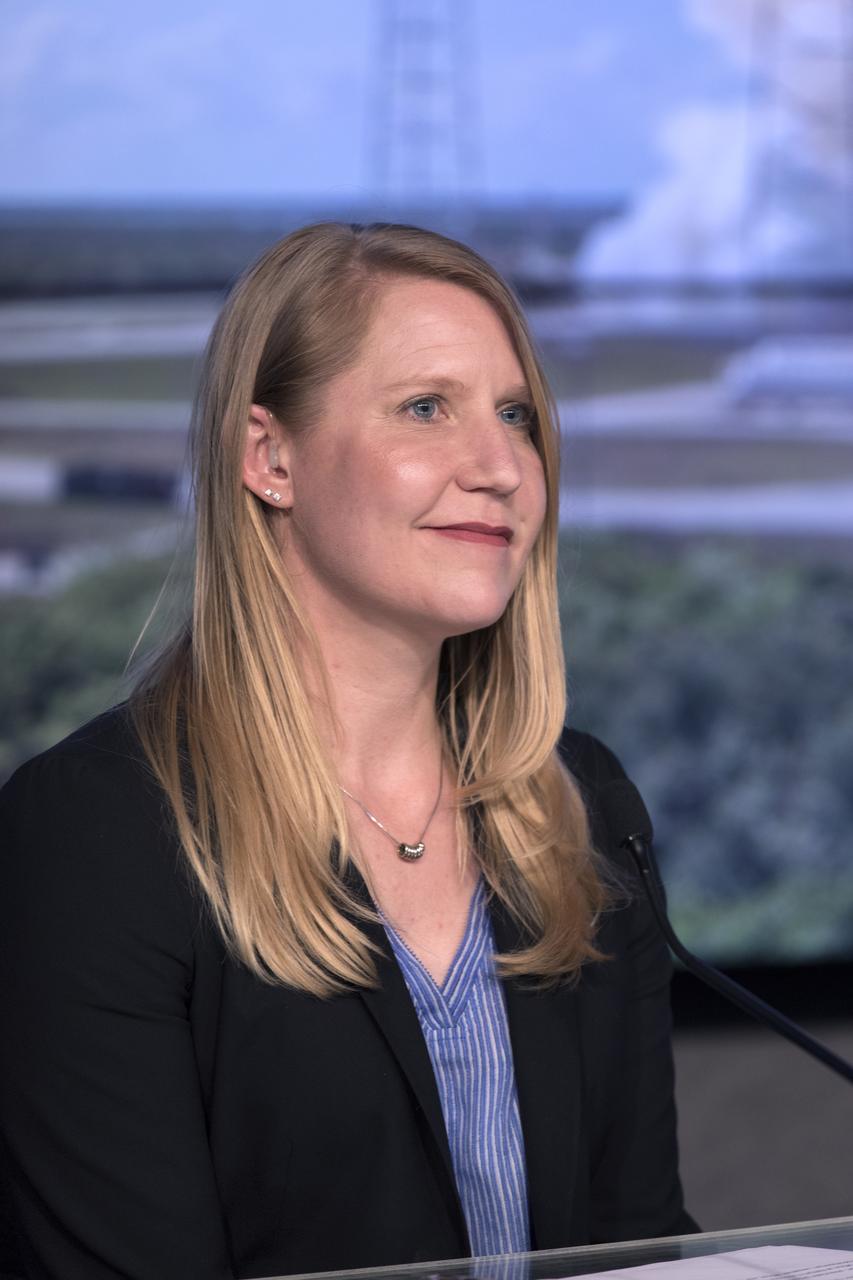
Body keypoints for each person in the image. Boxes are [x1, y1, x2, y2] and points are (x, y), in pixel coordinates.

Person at [0, 221, 697, 1280]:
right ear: (269, 456)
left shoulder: (581, 806)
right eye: (427, 408)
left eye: (516, 415)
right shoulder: (92, 836)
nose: (501, 466)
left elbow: (644, 1246)